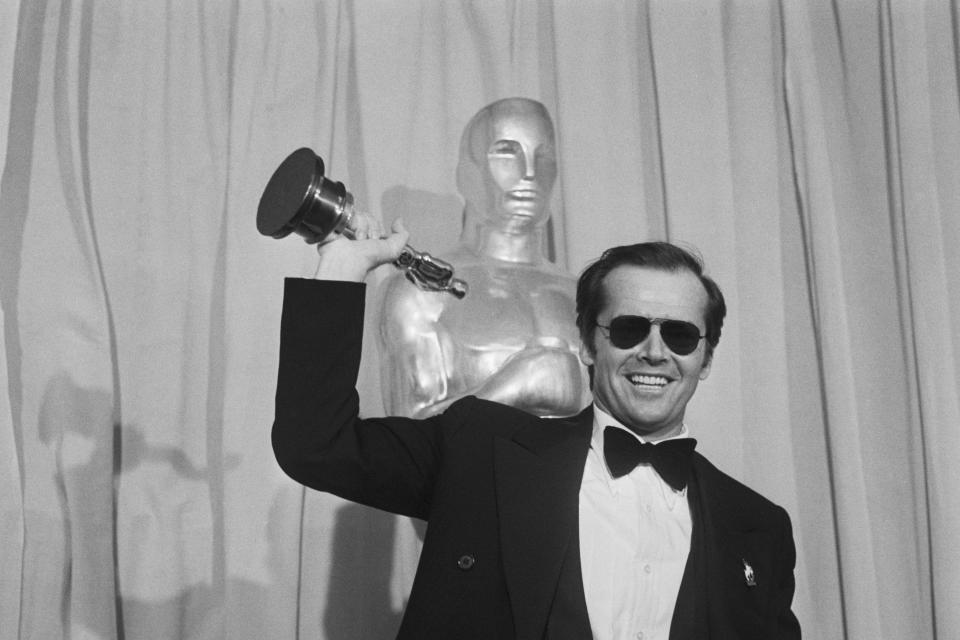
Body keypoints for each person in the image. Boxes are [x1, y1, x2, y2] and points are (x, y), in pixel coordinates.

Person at [271, 220, 802, 639]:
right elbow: (317, 446)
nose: (655, 352)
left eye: (682, 335)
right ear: (589, 344)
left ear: (705, 357)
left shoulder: (758, 527)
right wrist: (344, 265)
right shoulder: (481, 451)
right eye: (629, 328)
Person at [377, 97, 588, 418]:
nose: (529, 173)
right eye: (506, 152)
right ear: (467, 175)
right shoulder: (422, 291)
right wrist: (516, 386)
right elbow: (410, 439)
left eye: (543, 156)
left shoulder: (586, 295)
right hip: (475, 467)